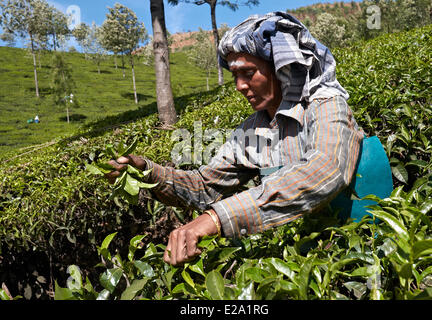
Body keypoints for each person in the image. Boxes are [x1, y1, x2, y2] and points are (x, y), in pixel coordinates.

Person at [105, 12, 391, 266]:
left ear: (281, 67)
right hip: (306, 261)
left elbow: (324, 170)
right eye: (234, 76)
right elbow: (205, 186)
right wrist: (148, 171)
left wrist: (217, 218)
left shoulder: (326, 106)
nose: (240, 86)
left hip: (366, 250)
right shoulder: (252, 131)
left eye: (248, 72)